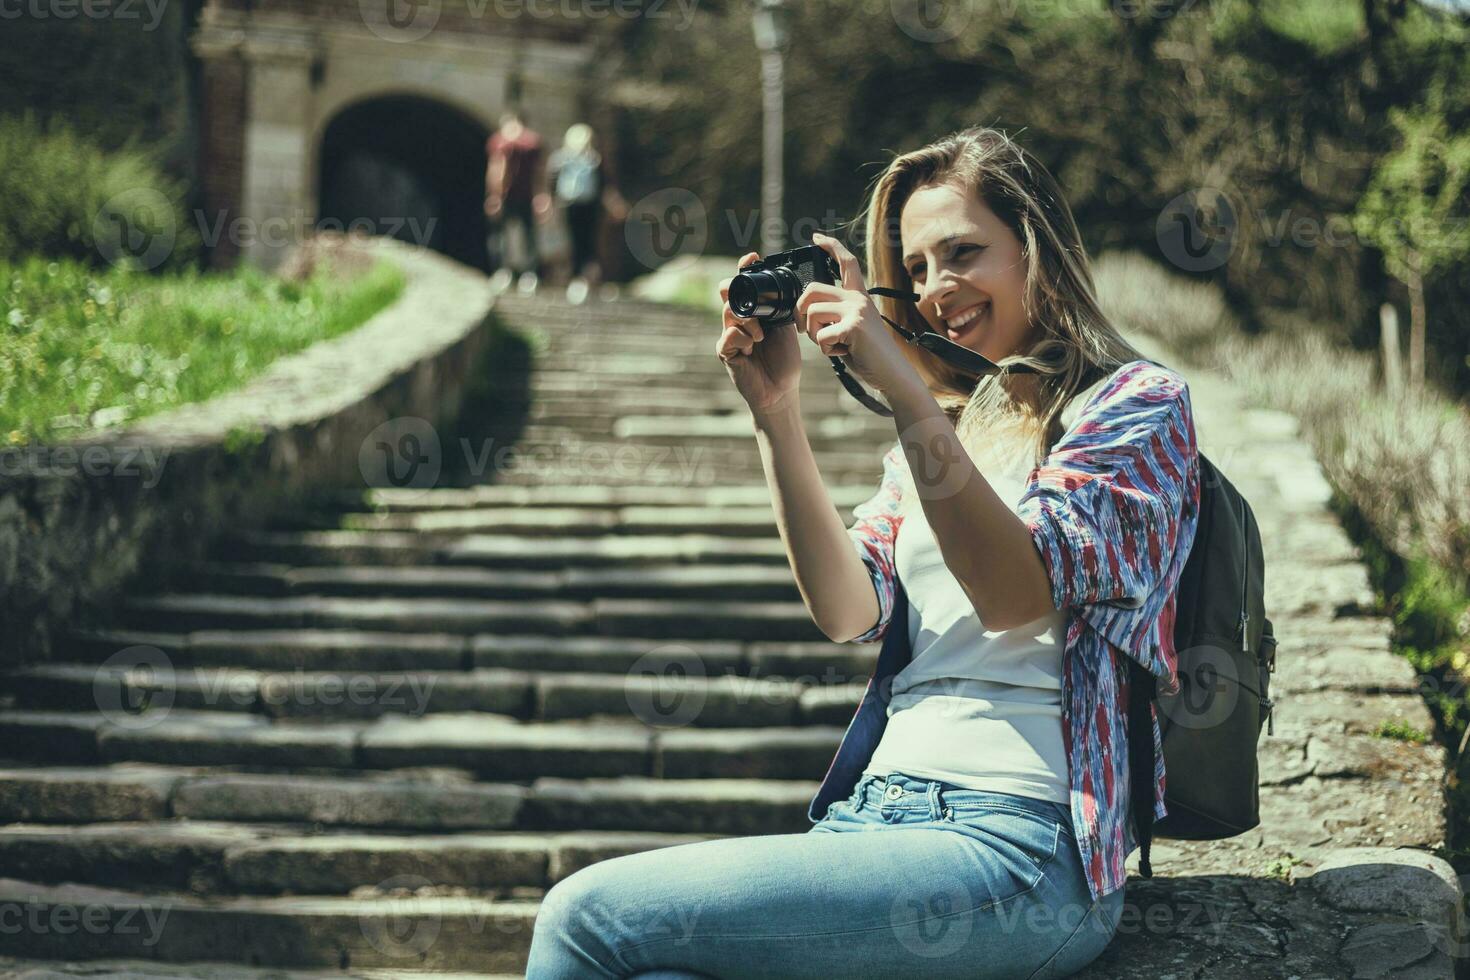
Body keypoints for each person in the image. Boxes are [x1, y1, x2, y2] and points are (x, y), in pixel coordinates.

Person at [525, 126, 1202, 979]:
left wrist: (904, 390)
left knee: (585, 919)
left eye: (963, 253)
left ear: (1038, 252)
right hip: (879, 814)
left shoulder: (1135, 408)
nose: (936, 290)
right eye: (915, 270)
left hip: (1022, 843)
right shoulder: (947, 434)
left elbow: (1015, 593)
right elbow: (849, 609)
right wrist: (775, 411)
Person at [548, 122, 627, 304]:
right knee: (587, 241)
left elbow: (552, 181)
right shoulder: (594, 159)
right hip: (588, 205)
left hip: (572, 204)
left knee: (576, 240)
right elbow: (605, 185)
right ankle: (586, 278)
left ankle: (580, 279)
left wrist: (551, 202)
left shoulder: (562, 159)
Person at [485, 109, 551, 293]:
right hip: (513, 195)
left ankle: (521, 273)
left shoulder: (520, 143)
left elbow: (495, 170)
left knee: (521, 236)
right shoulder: (508, 143)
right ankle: (508, 272)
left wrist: (494, 195)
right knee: (503, 236)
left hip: (520, 196)